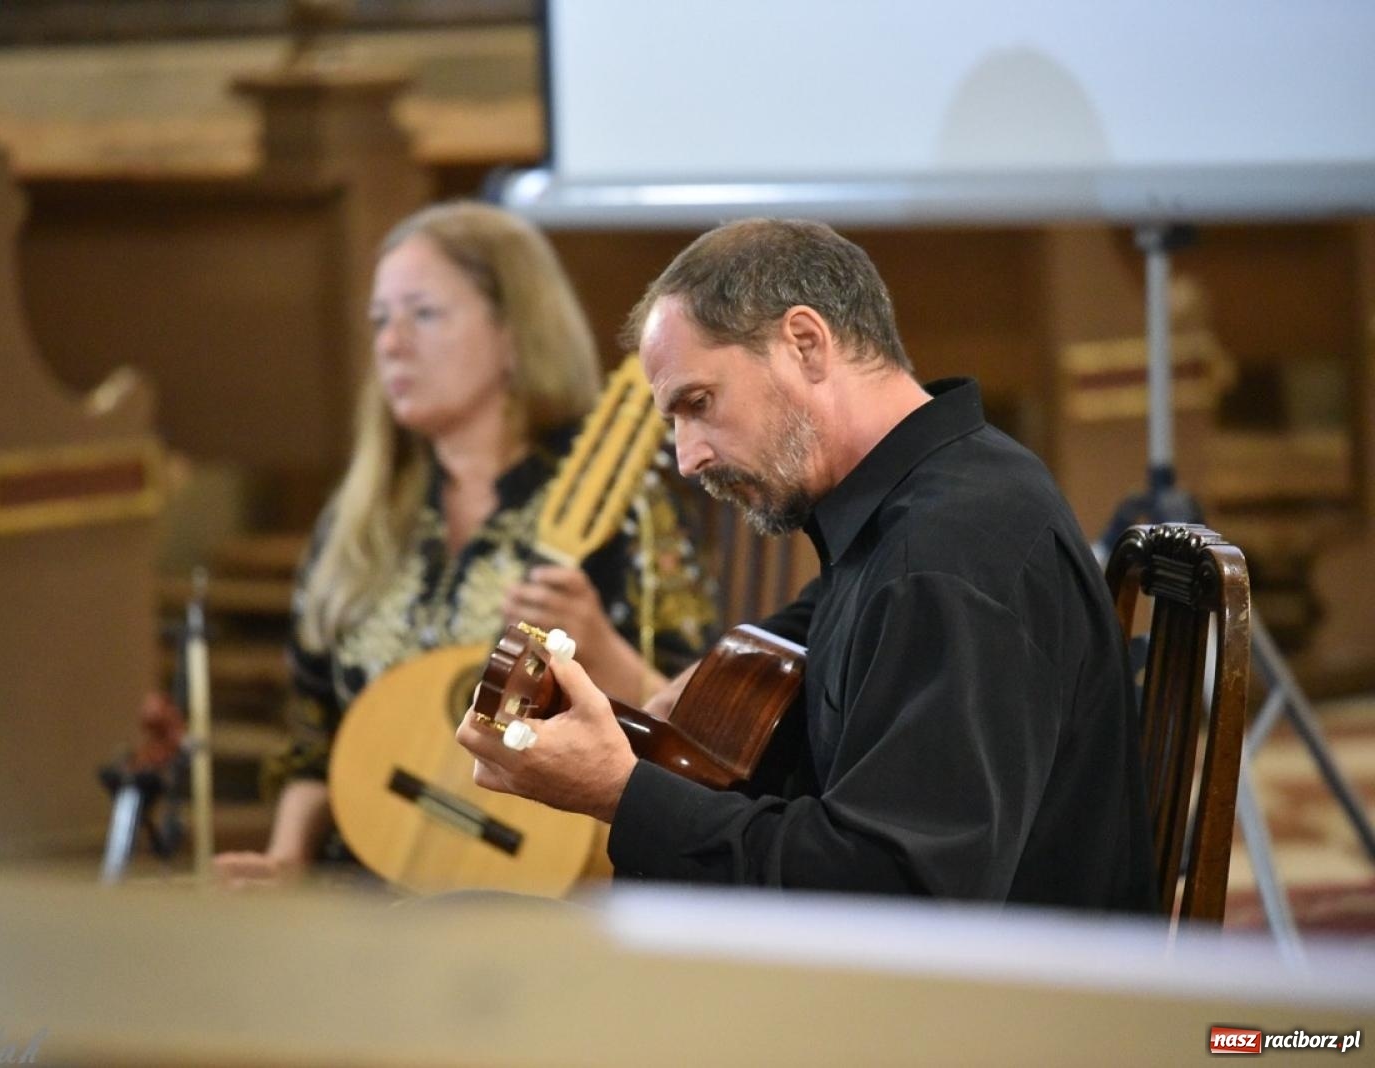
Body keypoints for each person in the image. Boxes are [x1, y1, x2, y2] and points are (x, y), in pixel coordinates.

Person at [457, 218, 1159, 912]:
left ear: (804, 343)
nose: (690, 455)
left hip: (985, 1012)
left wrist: (621, 792)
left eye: (698, 404)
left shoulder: (947, 557)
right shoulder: (931, 502)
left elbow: (896, 892)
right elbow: (834, 622)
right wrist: (683, 698)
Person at [213, 202, 715, 887]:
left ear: (513, 332)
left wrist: (603, 648)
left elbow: (698, 739)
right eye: (380, 320)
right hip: (363, 873)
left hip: (542, 884)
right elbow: (314, 737)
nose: (391, 343)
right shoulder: (361, 513)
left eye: (422, 314)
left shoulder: (611, 498)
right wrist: (288, 856)